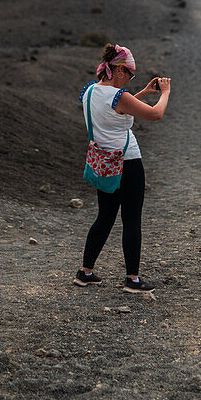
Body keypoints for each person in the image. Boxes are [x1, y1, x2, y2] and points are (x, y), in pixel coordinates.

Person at [75, 43, 171, 293]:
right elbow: (155, 115)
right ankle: (133, 279)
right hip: (128, 163)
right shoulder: (119, 96)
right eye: (129, 73)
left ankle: (85, 272)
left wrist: (142, 93)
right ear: (118, 70)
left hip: (105, 163)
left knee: (105, 217)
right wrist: (164, 94)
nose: (129, 78)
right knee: (131, 220)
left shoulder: (89, 92)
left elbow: (114, 109)